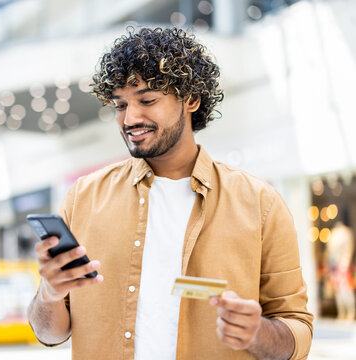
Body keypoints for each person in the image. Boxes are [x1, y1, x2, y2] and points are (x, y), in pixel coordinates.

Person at [28, 27, 313, 360]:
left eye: (147, 100)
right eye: (120, 105)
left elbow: (297, 330)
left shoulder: (261, 204)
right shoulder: (83, 198)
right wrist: (49, 294)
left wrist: (258, 333)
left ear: (191, 99)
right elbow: (50, 333)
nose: (130, 118)